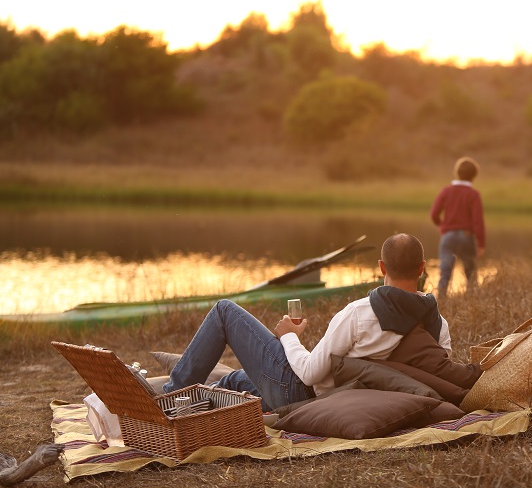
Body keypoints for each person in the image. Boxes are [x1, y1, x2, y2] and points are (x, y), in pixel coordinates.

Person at [162, 233, 452, 411]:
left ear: (381, 267)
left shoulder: (359, 314)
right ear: (422, 268)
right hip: (344, 395)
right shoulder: (437, 324)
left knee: (225, 310)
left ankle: (168, 397)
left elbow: (310, 375)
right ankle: (203, 395)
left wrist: (290, 336)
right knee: (236, 380)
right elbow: (433, 372)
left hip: (299, 394)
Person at [429, 156, 486, 298]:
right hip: (467, 236)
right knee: (471, 274)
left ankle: (440, 304)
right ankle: (473, 303)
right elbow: (478, 222)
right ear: (474, 176)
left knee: (445, 273)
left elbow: (434, 214)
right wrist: (481, 243)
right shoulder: (473, 195)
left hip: (448, 236)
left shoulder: (446, 191)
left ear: (457, 173)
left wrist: (442, 226)